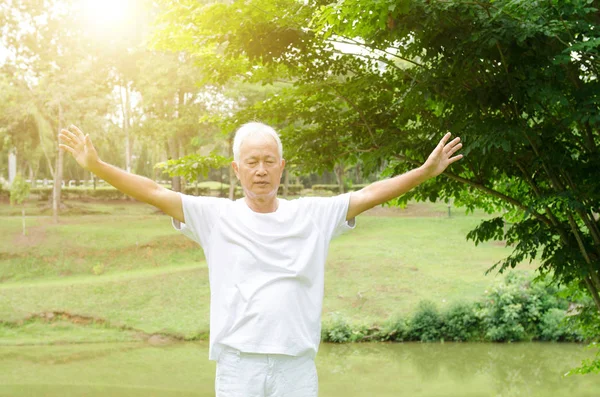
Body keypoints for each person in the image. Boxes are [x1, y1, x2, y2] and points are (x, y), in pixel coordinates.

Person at [59, 122, 463, 397]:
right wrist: (95, 165)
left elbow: (371, 192)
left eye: (269, 161)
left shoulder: (311, 215)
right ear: (237, 169)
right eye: (251, 162)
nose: (261, 170)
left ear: (282, 167)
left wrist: (423, 173)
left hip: (296, 367)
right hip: (239, 367)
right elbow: (153, 191)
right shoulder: (215, 217)